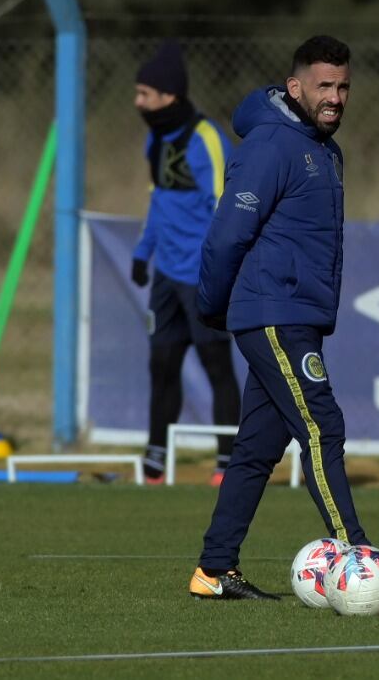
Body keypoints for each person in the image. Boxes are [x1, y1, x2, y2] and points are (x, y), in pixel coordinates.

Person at [190, 35, 369, 600]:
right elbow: (227, 233)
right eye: (324, 86)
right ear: (295, 88)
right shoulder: (271, 144)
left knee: (258, 448)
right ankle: (363, 562)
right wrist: (214, 306)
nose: (335, 97)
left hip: (296, 313)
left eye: (342, 86)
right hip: (274, 313)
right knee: (322, 427)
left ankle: (213, 571)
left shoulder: (323, 148)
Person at [130, 40, 239, 486]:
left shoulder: (206, 138)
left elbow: (225, 205)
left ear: (168, 96)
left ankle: (229, 463)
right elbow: (160, 202)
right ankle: (155, 464)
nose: (137, 102)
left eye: (144, 94)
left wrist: (221, 268)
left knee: (217, 366)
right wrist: (142, 253)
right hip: (166, 278)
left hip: (202, 279)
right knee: (162, 365)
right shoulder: (154, 140)